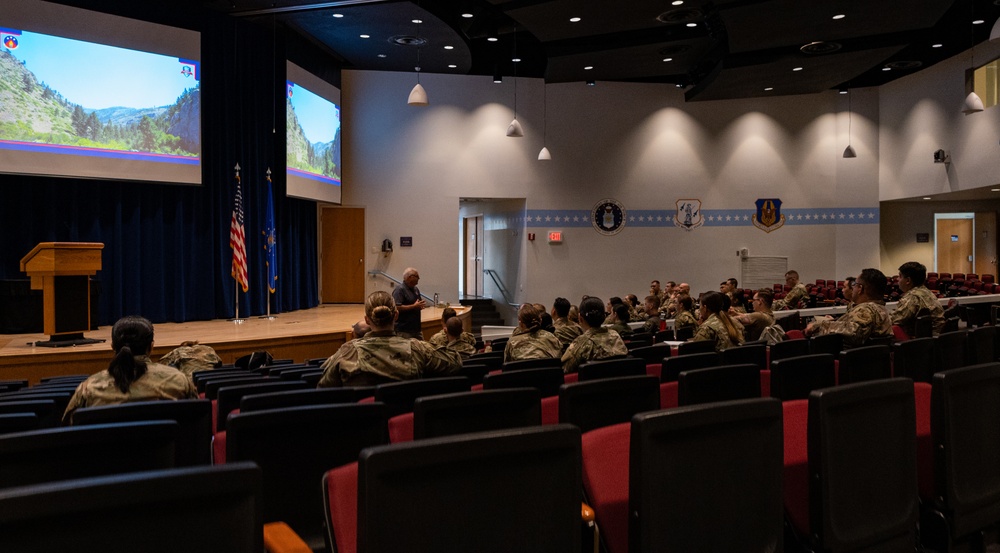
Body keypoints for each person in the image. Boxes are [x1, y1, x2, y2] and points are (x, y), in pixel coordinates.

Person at [63, 316, 198, 423]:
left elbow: (69, 428)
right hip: (165, 457)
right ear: (151, 347)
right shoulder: (178, 380)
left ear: (112, 347)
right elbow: (197, 421)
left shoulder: (89, 388)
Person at [317, 291, 461, 387]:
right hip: (409, 426)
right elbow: (455, 362)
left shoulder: (347, 352)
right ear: (396, 316)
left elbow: (323, 387)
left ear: (367, 320)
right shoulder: (417, 349)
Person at [805, 268, 893, 348]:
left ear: (860, 288)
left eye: (854, 284)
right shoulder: (882, 309)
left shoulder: (866, 309)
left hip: (849, 359)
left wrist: (817, 326)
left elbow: (855, 332)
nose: (853, 287)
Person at [561, 297, 628, 374]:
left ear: (580, 318)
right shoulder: (615, 335)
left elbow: (564, 369)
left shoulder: (581, 342)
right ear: (604, 316)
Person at [892, 261, 945, 338]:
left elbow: (895, 320)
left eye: (900, 276)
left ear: (908, 281)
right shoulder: (926, 291)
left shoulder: (913, 296)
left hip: (923, 342)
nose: (897, 279)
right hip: (936, 338)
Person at [392, 267, 426, 338]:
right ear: (410, 277)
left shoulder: (415, 289)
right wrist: (414, 306)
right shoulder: (399, 290)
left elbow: (418, 303)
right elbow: (396, 307)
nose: (419, 279)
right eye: (417, 277)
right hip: (404, 330)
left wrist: (420, 305)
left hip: (416, 329)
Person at [158, 340, 222, 379]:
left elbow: (161, 363)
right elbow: (219, 363)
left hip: (191, 382)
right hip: (209, 379)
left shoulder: (179, 350)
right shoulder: (208, 348)